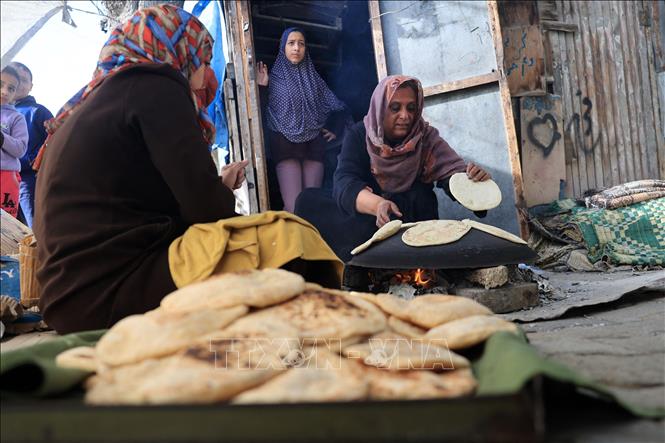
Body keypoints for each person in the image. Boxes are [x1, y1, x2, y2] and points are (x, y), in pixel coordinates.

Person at [33, 5, 341, 334]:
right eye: (205, 59)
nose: (206, 72)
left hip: (68, 300)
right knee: (292, 235)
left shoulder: (93, 103)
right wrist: (219, 189)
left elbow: (146, 204)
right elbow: (206, 212)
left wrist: (213, 188)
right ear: (179, 50)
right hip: (112, 292)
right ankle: (327, 341)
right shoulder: (155, 84)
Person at [295, 75, 491, 262]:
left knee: (419, 197)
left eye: (411, 108)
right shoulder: (359, 135)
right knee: (308, 200)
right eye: (395, 108)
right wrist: (378, 205)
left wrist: (473, 182)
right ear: (380, 109)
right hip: (371, 220)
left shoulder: (426, 138)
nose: (405, 116)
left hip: (411, 221)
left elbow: (452, 177)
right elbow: (344, 182)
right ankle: (358, 265)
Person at [256, 27, 350, 212]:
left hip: (314, 146)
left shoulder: (314, 79)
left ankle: (314, 241)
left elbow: (338, 106)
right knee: (293, 206)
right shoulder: (273, 79)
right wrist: (262, 88)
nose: (296, 48)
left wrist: (333, 127)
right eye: (291, 43)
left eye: (301, 44)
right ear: (283, 47)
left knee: (313, 206)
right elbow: (260, 114)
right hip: (285, 146)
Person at [8, 62, 53, 227]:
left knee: (33, 227)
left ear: (31, 86)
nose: (19, 84)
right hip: (5, 177)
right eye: (15, 80)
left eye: (24, 80)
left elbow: (55, 140)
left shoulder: (38, 112)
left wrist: (35, 162)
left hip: (28, 180)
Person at [1, 65, 29, 218]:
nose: (5, 91)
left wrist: (2, 138)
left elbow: (20, 149)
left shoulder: (16, 118)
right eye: (1, 84)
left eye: (11, 88)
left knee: (5, 223)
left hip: (5, 176)